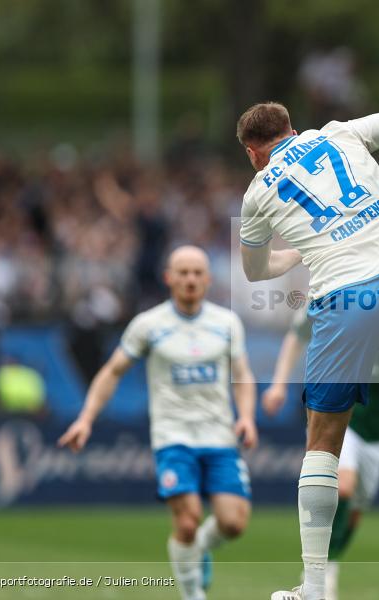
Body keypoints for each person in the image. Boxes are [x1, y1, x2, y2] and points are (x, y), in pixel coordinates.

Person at [236, 88, 379, 600]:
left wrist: (292, 257)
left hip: (343, 298)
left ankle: (313, 587)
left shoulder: (257, 194)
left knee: (323, 442)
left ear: (252, 152)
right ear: (291, 128)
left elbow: (253, 271)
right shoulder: (339, 132)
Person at [58, 246, 258, 600]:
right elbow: (112, 371)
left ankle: (200, 549)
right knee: (186, 520)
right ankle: (193, 595)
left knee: (233, 523)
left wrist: (246, 416)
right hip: (173, 436)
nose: (190, 279)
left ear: (208, 279)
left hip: (219, 435)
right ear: (168, 278)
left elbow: (242, 375)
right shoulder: (149, 325)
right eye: (183, 272)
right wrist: (85, 419)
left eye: (197, 272)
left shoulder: (226, 324)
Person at [263, 309, 379, 600]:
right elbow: (297, 335)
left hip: (377, 423)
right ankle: (319, 577)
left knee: (357, 510)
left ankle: (329, 563)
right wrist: (278, 384)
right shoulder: (328, 287)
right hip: (337, 410)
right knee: (343, 486)